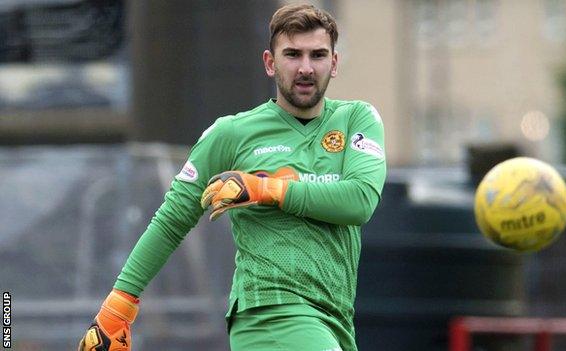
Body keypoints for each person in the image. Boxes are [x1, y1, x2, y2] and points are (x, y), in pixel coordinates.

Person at [78, 3, 386, 351]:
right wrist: (119, 305)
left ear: (334, 62)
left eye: (317, 55)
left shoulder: (357, 119)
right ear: (270, 63)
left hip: (335, 317)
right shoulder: (232, 133)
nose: (305, 67)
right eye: (292, 54)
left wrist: (265, 188)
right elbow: (171, 220)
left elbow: (359, 201)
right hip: (269, 311)